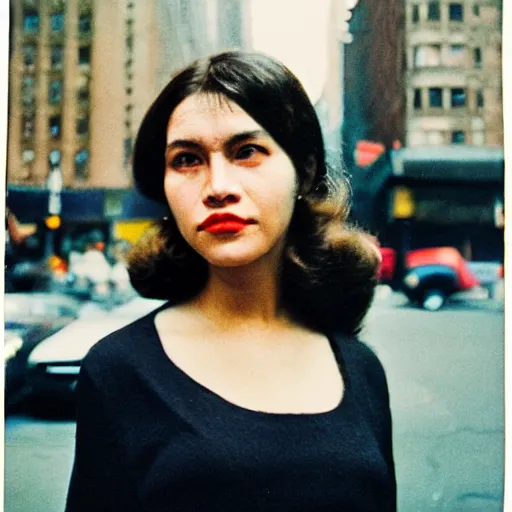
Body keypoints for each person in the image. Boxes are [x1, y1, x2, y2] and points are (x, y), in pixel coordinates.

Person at [66, 51, 396, 511]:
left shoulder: (361, 371)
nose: (218, 185)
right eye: (186, 159)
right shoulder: (118, 370)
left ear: (304, 170)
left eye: (246, 152)